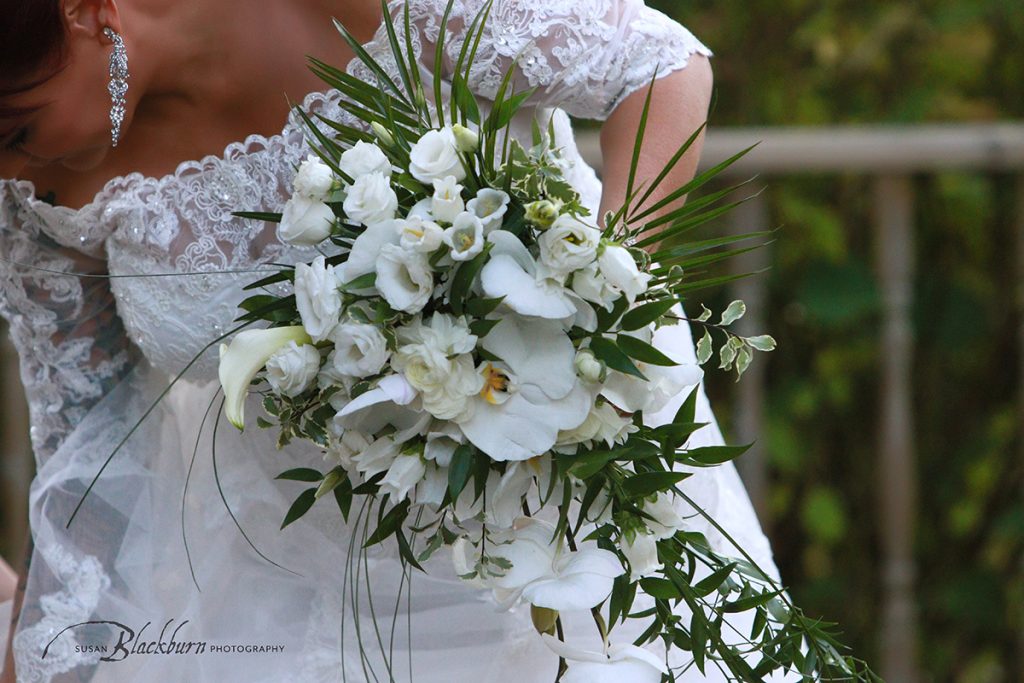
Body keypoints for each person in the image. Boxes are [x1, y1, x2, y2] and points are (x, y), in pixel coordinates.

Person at [0, 0, 778, 681]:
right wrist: (43, 652)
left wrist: (602, 292)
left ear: (81, 10)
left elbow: (660, 64)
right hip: (288, 605)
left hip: (569, 549)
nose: (9, 166)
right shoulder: (37, 189)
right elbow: (89, 448)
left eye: (18, 127)